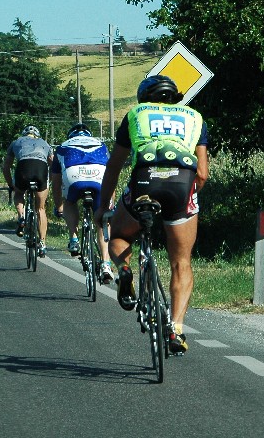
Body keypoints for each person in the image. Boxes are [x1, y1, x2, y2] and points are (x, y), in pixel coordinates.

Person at [97, 75, 209, 355]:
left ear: (144, 97)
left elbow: (114, 166)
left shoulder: (136, 114)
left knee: (120, 235)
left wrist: (103, 207)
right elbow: (203, 174)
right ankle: (177, 329)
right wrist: (186, 198)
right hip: (182, 184)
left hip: (145, 181)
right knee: (181, 261)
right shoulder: (195, 117)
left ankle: (124, 271)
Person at [51, 123, 114, 284]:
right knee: (102, 221)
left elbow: (56, 182)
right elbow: (112, 173)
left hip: (74, 176)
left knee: (70, 202)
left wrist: (59, 206)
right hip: (99, 176)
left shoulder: (63, 146)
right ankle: (106, 264)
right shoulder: (101, 144)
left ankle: (73, 239)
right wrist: (110, 204)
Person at [3, 125, 54, 258]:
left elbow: (6, 166)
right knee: (41, 209)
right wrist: (49, 182)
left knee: (19, 193)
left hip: (23, 168)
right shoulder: (45, 143)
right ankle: (42, 243)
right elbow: (53, 165)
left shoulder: (16, 142)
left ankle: (22, 217)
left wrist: (11, 185)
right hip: (40, 169)